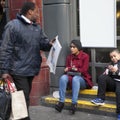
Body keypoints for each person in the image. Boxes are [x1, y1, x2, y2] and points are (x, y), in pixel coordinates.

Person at [0, 2, 55, 120]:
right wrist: (4, 70)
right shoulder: (13, 26)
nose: (38, 14)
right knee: (23, 98)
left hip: (31, 70)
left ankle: (20, 116)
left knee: (24, 98)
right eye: (37, 11)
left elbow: (42, 44)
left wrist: (50, 44)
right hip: (18, 70)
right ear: (30, 12)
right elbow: (5, 49)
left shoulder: (37, 28)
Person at [55, 40, 93, 114]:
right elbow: (68, 68)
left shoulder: (85, 56)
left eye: (74, 47)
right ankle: (61, 102)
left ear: (78, 48)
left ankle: (74, 103)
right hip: (71, 77)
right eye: (71, 47)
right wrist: (67, 69)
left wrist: (75, 69)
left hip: (82, 79)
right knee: (63, 77)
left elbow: (84, 70)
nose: (71, 49)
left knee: (76, 79)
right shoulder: (69, 57)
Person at [91, 49, 120, 120]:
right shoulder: (111, 63)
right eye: (111, 57)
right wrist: (108, 70)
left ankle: (119, 112)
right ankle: (100, 99)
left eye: (114, 56)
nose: (113, 58)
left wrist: (117, 71)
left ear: (119, 55)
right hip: (113, 82)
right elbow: (106, 73)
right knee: (102, 77)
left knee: (119, 92)